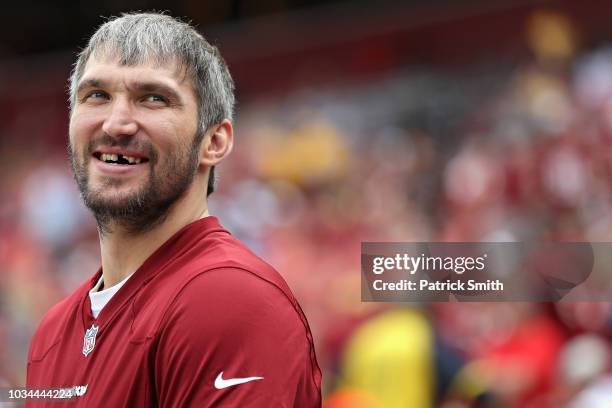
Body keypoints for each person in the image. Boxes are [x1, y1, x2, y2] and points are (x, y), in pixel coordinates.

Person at [26, 12, 322, 407]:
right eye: (96, 95)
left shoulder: (228, 299)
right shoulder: (53, 332)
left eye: (153, 98)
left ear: (214, 142)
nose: (116, 123)